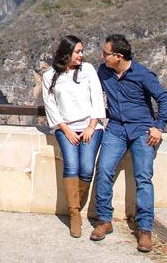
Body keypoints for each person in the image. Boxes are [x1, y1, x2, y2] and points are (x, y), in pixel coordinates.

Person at [90, 33, 167, 253]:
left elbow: (163, 98)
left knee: (143, 177)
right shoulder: (103, 72)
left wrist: (159, 127)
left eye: (106, 54)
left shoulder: (142, 75)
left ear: (118, 56)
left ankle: (144, 229)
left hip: (141, 129)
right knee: (104, 169)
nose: (103, 57)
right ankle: (104, 220)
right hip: (116, 128)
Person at [41, 35, 106, 238]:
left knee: (86, 168)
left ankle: (75, 202)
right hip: (65, 128)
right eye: (77, 51)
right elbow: (50, 106)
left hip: (90, 127)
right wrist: (66, 130)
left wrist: (91, 126)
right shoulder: (50, 76)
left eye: (81, 51)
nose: (81, 55)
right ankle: (74, 213)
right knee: (71, 165)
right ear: (66, 53)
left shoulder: (87, 70)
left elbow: (97, 97)